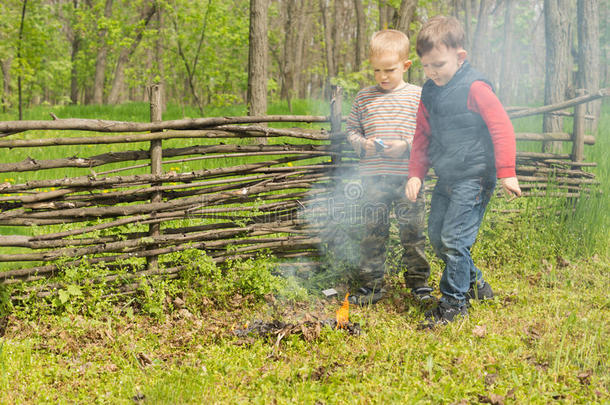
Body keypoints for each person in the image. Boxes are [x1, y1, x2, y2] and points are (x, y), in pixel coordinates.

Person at [405, 16, 522, 327]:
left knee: (455, 239)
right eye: (425, 66)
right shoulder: (429, 92)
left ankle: (454, 304)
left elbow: (501, 128)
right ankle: (476, 284)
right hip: (448, 175)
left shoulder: (476, 88)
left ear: (460, 57)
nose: (431, 72)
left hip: (475, 176)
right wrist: (416, 173)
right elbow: (422, 135)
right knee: (436, 236)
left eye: (439, 65)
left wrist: (507, 171)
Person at [345, 29, 432, 306]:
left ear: (406, 66)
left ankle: (419, 284)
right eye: (377, 71)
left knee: (413, 234)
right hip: (373, 179)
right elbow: (351, 131)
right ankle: (371, 286)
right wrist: (363, 145)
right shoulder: (363, 98)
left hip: (408, 179)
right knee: (372, 234)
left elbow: (426, 135)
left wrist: (405, 146)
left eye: (390, 70)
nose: (383, 76)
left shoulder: (418, 96)